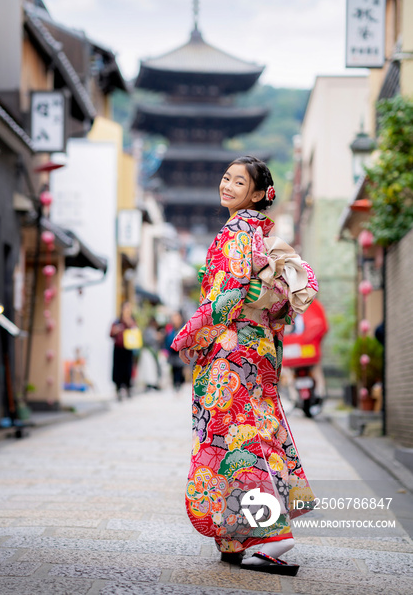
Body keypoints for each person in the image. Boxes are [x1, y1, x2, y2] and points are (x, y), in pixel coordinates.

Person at [171, 156, 318, 576]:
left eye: (240, 181)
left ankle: (270, 534)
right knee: (255, 429)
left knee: (235, 438)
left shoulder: (237, 232)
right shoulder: (260, 234)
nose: (228, 185)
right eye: (225, 177)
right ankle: (235, 537)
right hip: (258, 349)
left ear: (258, 194)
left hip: (231, 349)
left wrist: (189, 334)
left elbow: (228, 295)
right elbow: (274, 308)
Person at [110, 301, 137, 400]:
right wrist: (116, 330)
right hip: (118, 349)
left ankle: (128, 388)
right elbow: (110, 333)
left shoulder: (131, 321)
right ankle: (118, 389)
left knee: (128, 369)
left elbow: (136, 330)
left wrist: (128, 322)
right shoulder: (117, 322)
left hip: (128, 348)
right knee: (118, 370)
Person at [165, 312, 186, 391]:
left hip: (180, 353)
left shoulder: (183, 329)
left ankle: (180, 384)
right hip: (173, 353)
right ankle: (175, 385)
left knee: (180, 370)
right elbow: (167, 341)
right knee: (174, 370)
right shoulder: (170, 330)